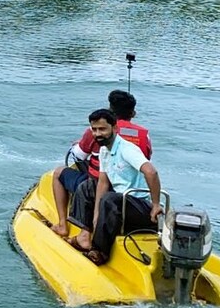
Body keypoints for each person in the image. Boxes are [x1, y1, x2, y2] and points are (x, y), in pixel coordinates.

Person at [50, 90, 152, 242]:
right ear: (133, 113)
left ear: (110, 111)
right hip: (127, 190)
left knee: (59, 173)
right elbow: (147, 160)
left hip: (101, 185)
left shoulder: (96, 131)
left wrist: (79, 144)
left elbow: (78, 155)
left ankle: (63, 225)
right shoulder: (143, 135)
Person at [72, 108, 162, 265]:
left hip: (140, 207)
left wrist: (155, 205)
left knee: (110, 198)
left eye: (102, 129)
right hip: (123, 201)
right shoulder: (104, 150)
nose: (97, 134)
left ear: (114, 128)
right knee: (87, 187)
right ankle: (85, 235)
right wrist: (96, 215)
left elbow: (151, 172)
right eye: (94, 129)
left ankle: (99, 252)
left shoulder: (127, 149)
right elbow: (103, 182)